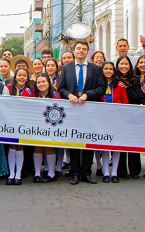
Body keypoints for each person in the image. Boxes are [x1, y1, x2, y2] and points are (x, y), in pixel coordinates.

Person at [58, 41, 105, 185]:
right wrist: (69, 95)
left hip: (88, 108)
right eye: (78, 48)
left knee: (88, 140)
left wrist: (87, 95)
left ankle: (86, 173)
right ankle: (75, 173)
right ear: (74, 50)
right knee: (74, 140)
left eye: (84, 49)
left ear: (87, 52)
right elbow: (61, 88)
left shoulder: (96, 69)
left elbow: (101, 88)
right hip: (72, 109)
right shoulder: (66, 68)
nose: (81, 51)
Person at [114, 55, 144, 179]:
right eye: (121, 64)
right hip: (118, 115)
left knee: (132, 142)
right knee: (120, 142)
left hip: (132, 114)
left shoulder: (136, 79)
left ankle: (135, 170)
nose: (124, 66)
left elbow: (137, 97)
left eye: (126, 64)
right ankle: (121, 170)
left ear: (130, 66)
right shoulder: (114, 79)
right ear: (117, 66)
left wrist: (126, 88)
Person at [98, 61, 128, 183]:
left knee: (116, 146)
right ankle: (105, 172)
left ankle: (114, 172)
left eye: (110, 69)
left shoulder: (119, 86)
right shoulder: (99, 85)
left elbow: (126, 103)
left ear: (114, 71)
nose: (108, 71)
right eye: (106, 69)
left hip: (117, 119)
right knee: (105, 146)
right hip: (103, 119)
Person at [28, 73, 61, 183]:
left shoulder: (55, 95)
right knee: (37, 147)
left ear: (48, 82)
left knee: (48, 147)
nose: (41, 84)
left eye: (43, 82)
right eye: (39, 82)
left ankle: (51, 173)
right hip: (37, 125)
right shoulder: (33, 95)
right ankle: (37, 173)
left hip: (50, 126)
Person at [5, 68, 34, 185]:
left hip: (23, 123)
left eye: (24, 75)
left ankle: (18, 174)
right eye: (19, 75)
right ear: (15, 76)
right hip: (9, 122)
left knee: (20, 146)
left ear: (27, 78)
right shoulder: (7, 89)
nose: (21, 77)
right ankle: (11, 173)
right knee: (12, 146)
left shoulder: (29, 91)